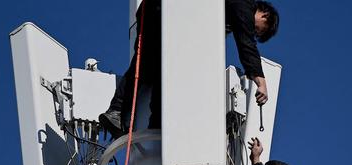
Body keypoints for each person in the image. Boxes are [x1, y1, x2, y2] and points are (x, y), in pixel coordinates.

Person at [99, 0, 280, 138]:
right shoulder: (243, 4)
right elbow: (246, 43)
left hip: (160, 12)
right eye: (257, 29)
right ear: (264, 14)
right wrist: (260, 80)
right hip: (168, 13)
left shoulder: (224, 11)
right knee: (157, 66)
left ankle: (131, 116)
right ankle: (147, 122)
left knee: (150, 66)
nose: (253, 32)